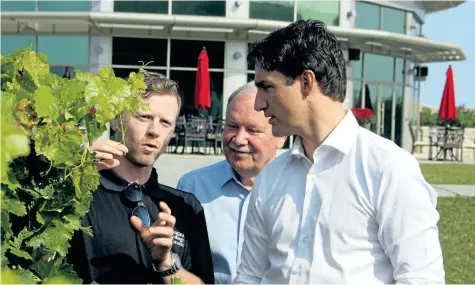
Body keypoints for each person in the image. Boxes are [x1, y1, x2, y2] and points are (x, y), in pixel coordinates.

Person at [234, 19, 445, 284]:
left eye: (267, 87)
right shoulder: (270, 178)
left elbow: (421, 277)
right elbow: (249, 277)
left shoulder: (388, 168)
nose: (259, 103)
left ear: (306, 82)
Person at [68, 72, 215, 284]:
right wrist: (72, 175)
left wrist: (166, 263)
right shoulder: (79, 195)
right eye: (144, 117)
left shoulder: (185, 207)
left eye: (165, 122)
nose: (154, 130)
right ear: (117, 120)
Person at [177, 82, 286, 284]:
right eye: (232, 126)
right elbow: (177, 262)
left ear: (280, 136)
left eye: (253, 130)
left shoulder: (298, 190)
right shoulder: (192, 187)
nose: (239, 139)